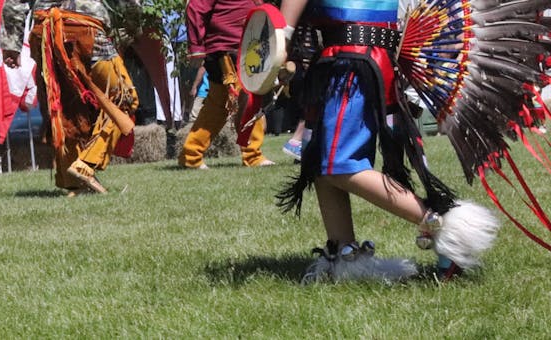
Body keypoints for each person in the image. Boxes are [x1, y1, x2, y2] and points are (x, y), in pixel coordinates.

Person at [277, 0, 499, 282]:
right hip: (355, 54)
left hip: (350, 57)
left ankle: (444, 226)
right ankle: (345, 259)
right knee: (321, 161)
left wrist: (281, 35)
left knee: (339, 166)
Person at [1, 0, 139, 195]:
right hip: (84, 26)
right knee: (124, 97)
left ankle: (74, 182)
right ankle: (85, 165)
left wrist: (11, 44)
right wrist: (128, 32)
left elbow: (14, 2)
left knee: (66, 107)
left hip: (44, 32)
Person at [180, 0, 275, 169]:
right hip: (227, 50)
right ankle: (252, 155)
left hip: (247, 47)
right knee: (248, 99)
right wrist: (196, 48)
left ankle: (191, 155)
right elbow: (195, 8)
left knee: (218, 105)